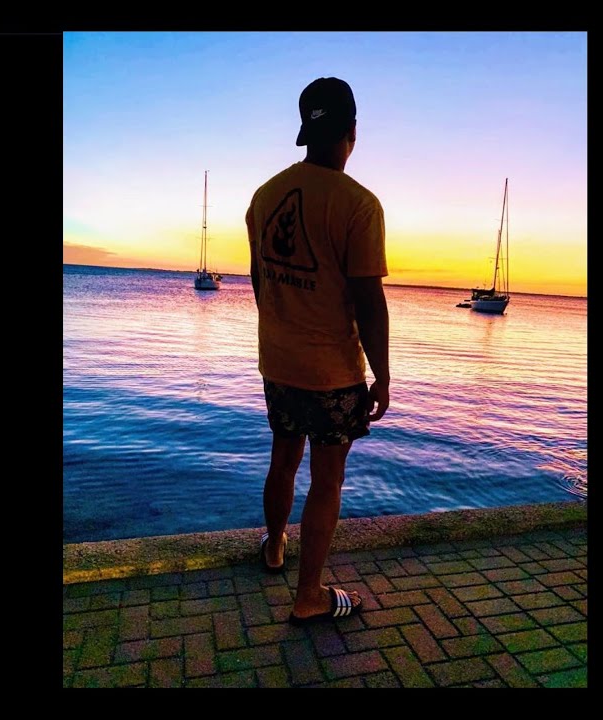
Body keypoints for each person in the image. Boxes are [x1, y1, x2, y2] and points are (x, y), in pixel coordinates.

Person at [244, 77, 390, 624]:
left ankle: (274, 547)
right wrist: (383, 376)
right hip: (333, 372)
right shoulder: (359, 205)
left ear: (306, 130)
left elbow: (259, 280)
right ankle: (310, 596)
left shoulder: (265, 196)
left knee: (283, 460)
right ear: (353, 131)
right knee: (327, 482)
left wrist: (282, 328)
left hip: (278, 363)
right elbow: (369, 302)